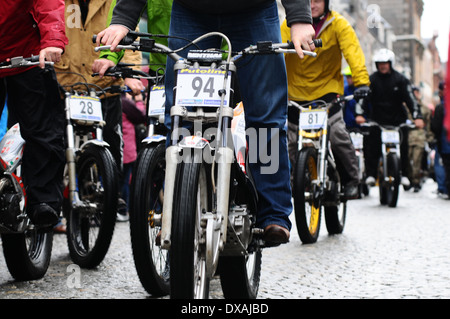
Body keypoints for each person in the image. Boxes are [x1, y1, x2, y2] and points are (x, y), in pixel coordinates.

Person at [96, 0, 316, 245]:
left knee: (265, 119)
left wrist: (299, 19)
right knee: (185, 116)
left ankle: (273, 214)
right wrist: (123, 20)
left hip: (255, 12)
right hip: (191, 12)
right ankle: (179, 212)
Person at [281, 0, 370, 200]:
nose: (312, 5)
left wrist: (362, 82)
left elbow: (353, 53)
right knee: (290, 144)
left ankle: (351, 180)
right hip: (296, 96)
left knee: (338, 136)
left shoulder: (338, 24)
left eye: (318, 0)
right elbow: (277, 56)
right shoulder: (288, 25)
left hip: (327, 95)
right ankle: (297, 180)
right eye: (308, 0)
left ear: (327, 3)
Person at [0, 0, 68, 227]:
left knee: (42, 129)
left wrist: (52, 41)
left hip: (26, 55)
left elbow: (47, 4)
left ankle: (43, 201)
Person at [356, 48, 424, 188]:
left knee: (404, 146)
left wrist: (417, 116)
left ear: (390, 63)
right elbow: (363, 100)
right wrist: (359, 114)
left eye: (385, 63)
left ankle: (405, 174)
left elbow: (411, 99)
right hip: (377, 121)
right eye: (380, 63)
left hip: (397, 121)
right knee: (370, 145)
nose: (383, 65)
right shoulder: (371, 80)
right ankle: (371, 174)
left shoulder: (401, 80)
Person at [118, 92, 146, 221]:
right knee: (125, 181)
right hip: (127, 149)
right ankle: (123, 210)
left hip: (116, 147)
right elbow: (141, 116)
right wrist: (139, 101)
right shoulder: (125, 103)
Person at [407, 85, 433, 192]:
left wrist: (430, 138)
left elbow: (429, 125)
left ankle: (416, 182)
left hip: (420, 137)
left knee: (417, 161)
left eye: (417, 92)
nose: (415, 95)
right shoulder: (406, 107)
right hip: (408, 137)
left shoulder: (425, 109)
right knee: (407, 160)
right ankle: (409, 180)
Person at [431, 81, 450, 199]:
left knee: (446, 167)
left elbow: (435, 127)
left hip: (445, 145)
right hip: (445, 144)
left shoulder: (441, 107)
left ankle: (446, 189)